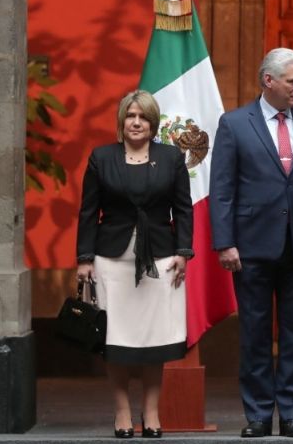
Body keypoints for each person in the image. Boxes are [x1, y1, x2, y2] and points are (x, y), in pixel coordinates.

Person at [209, 47, 293, 439]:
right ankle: (259, 415)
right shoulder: (234, 124)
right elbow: (223, 190)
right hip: (250, 247)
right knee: (255, 334)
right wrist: (225, 243)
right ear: (269, 81)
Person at [75, 90, 193, 439]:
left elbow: (183, 209)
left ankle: (152, 413)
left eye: (143, 117)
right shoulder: (102, 157)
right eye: (130, 116)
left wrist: (184, 252)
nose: (136, 122)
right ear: (122, 121)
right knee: (117, 339)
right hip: (112, 259)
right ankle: (122, 410)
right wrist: (83, 259)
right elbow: (87, 211)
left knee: (155, 338)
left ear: (153, 123)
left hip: (161, 257)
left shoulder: (171, 158)